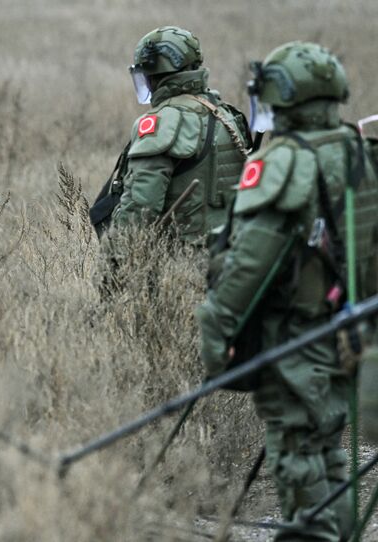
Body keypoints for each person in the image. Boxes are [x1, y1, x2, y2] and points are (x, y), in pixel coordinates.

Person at [198, 42, 378, 541]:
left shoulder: (284, 162)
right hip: (349, 332)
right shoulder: (357, 150)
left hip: (295, 335)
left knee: (298, 453)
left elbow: (248, 262)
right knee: (326, 449)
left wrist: (216, 327)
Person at [94, 26, 250, 242]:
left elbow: (140, 208)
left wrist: (113, 263)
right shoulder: (227, 115)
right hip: (229, 254)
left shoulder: (162, 122)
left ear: (153, 75)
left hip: (180, 260)